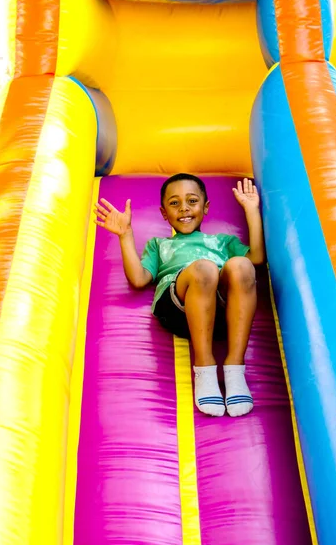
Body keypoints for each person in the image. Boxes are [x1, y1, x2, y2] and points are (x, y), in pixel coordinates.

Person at [94, 173, 265, 417]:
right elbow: (139, 278)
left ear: (205, 207)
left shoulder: (223, 241)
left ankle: (235, 368)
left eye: (192, 201)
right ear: (164, 213)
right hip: (178, 308)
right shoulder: (159, 245)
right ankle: (204, 367)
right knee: (204, 268)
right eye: (174, 203)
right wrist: (126, 235)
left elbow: (256, 258)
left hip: (222, 313)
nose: (184, 208)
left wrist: (251, 210)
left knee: (241, 266)